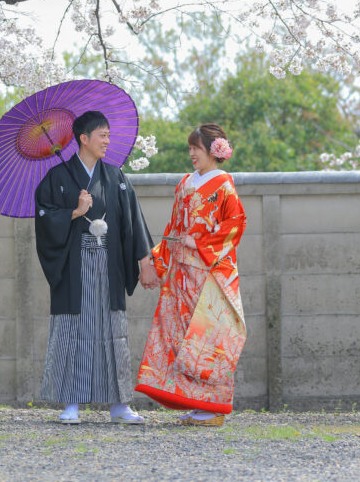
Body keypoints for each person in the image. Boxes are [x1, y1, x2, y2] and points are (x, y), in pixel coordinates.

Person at [35, 109, 159, 424]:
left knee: (112, 332)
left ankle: (119, 405)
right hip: (74, 268)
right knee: (73, 332)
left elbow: (134, 223)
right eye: (102, 135)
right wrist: (75, 213)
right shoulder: (57, 179)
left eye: (107, 135)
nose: (107, 140)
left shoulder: (116, 178)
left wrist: (145, 263)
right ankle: (71, 403)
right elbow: (44, 219)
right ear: (83, 138)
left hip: (109, 266)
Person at [135, 123, 246, 426]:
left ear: (214, 150)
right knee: (181, 337)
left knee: (206, 339)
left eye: (196, 148)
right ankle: (198, 404)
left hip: (207, 272)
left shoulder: (224, 185)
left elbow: (234, 226)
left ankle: (213, 407)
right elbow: (172, 228)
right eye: (191, 148)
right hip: (180, 273)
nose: (191, 154)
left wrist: (198, 242)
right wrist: (158, 264)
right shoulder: (186, 182)